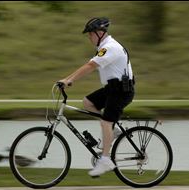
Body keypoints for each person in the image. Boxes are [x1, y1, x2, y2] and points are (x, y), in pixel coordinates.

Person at [58, 17, 135, 177]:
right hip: (112, 89)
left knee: (106, 122)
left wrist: (69, 80)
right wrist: (67, 79)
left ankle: (105, 159)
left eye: (90, 34)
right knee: (88, 102)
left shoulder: (110, 47)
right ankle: (111, 131)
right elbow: (90, 64)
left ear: (100, 33)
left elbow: (91, 66)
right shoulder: (105, 47)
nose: (89, 37)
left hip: (121, 91)